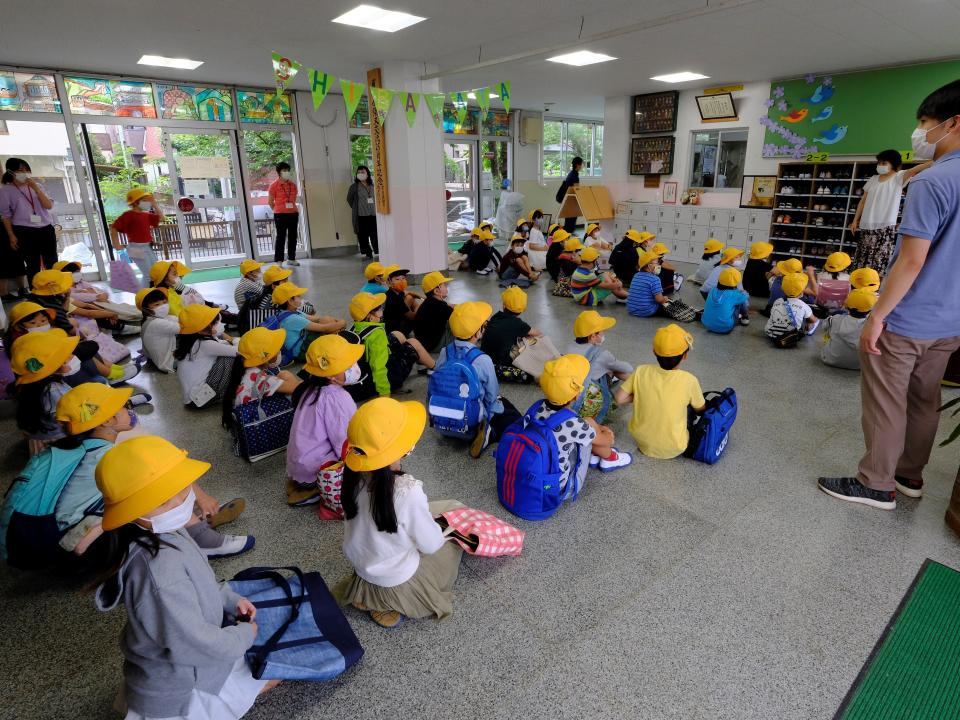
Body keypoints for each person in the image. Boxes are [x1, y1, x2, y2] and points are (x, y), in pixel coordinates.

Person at [818, 80, 960, 517]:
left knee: (885, 400)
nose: (918, 131)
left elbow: (912, 261)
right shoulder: (932, 175)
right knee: (924, 399)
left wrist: (878, 315)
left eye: (924, 122)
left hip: (909, 316)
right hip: (950, 321)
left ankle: (876, 484)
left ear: (952, 123)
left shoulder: (934, 182)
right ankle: (909, 476)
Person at [91, 436, 272, 720]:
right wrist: (242, 636)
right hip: (184, 686)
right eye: (163, 501)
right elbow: (191, 643)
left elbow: (201, 581)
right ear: (131, 514)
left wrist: (229, 599)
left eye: (181, 487)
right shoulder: (159, 570)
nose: (179, 503)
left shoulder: (161, 530)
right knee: (268, 678)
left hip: (191, 662)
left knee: (264, 675)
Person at [334, 397, 463, 628]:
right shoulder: (408, 491)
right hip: (397, 578)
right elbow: (431, 545)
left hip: (364, 569)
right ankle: (390, 603)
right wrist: (440, 531)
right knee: (454, 528)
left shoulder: (353, 476)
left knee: (434, 511)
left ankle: (366, 596)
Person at [287, 335, 363, 511]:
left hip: (300, 467)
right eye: (348, 365)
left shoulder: (309, 388)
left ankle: (306, 488)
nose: (354, 367)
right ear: (330, 375)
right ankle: (317, 491)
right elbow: (345, 442)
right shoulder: (336, 398)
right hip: (316, 472)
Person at [438, 301, 521, 459]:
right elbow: (492, 395)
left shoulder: (445, 352)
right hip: (470, 424)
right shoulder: (482, 359)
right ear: (478, 332)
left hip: (444, 421)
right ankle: (489, 433)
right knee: (508, 412)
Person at [614, 324, 707, 460]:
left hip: (641, 441)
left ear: (654, 352)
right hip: (676, 446)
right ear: (685, 355)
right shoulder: (689, 380)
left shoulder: (641, 371)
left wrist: (641, 394)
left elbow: (619, 399)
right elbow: (701, 410)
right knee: (689, 409)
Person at [536, 355, 632, 486]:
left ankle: (596, 454)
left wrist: (597, 429)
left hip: (542, 465)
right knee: (594, 435)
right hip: (558, 486)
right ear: (576, 395)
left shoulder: (537, 408)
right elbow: (607, 440)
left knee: (588, 424)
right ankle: (610, 458)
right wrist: (607, 432)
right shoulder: (573, 424)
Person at [849, 150, 931, 272]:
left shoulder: (899, 177)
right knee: (862, 257)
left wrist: (939, 158)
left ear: (894, 164)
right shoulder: (873, 179)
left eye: (884, 163)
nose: (880, 165)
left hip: (885, 226)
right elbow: (863, 201)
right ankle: (859, 284)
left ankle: (874, 287)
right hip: (866, 224)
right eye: (879, 163)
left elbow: (918, 167)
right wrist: (855, 220)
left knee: (879, 259)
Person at [349, 292, 434, 399]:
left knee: (396, 334)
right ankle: (435, 369)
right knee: (413, 343)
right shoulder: (377, 335)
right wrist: (385, 394)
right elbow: (379, 368)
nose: (382, 310)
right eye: (380, 307)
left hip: (362, 377)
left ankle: (422, 362)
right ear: (370, 316)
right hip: (378, 382)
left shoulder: (354, 328)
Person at [11, 329, 80, 451]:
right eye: (66, 357)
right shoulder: (54, 391)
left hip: (37, 440)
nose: (72, 357)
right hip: (59, 443)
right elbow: (72, 419)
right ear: (53, 367)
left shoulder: (30, 386)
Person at [223, 326, 300, 428]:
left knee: (283, 374)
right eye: (276, 349)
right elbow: (299, 389)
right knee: (293, 387)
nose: (279, 351)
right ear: (267, 357)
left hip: (242, 415)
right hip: (254, 424)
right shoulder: (261, 379)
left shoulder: (245, 369)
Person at [568, 310, 632, 423]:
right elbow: (628, 368)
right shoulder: (601, 355)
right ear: (593, 336)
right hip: (588, 403)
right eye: (602, 331)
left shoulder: (569, 347)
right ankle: (638, 390)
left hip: (570, 397)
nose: (603, 333)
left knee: (605, 369)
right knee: (615, 370)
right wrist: (612, 367)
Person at [0, 158, 57, 284]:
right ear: (11, 172)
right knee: (33, 265)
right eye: (20, 170)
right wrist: (11, 236)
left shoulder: (37, 186)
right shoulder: (5, 190)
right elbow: (5, 216)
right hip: (24, 231)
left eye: (26, 170)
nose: (24, 173)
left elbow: (48, 206)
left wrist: (36, 188)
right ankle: (37, 295)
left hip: (46, 228)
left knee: (52, 262)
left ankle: (57, 292)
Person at [175, 304, 238, 408]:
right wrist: (234, 340)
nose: (219, 324)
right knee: (229, 358)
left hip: (192, 398)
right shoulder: (206, 344)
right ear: (200, 329)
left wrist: (230, 340)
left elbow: (223, 343)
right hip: (199, 400)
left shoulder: (193, 341)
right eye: (215, 323)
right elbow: (238, 351)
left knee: (225, 354)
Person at [481, 286, 542, 383]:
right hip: (500, 364)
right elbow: (538, 334)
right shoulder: (518, 324)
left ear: (503, 305)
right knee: (529, 375)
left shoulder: (496, 316)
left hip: (483, 359)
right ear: (522, 309)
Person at [272, 283, 345, 363]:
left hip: (303, 339)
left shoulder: (291, 312)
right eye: (298, 296)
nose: (301, 298)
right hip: (301, 352)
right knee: (331, 330)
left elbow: (318, 319)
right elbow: (323, 328)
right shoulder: (292, 319)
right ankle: (336, 350)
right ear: (290, 301)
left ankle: (335, 345)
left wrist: (334, 322)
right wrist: (342, 323)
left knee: (326, 320)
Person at [110, 188, 164, 287]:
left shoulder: (146, 215)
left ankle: (147, 294)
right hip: (135, 248)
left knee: (155, 272)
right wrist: (116, 244)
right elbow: (114, 228)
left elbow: (162, 218)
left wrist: (154, 204)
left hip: (146, 247)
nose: (147, 202)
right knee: (148, 275)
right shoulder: (128, 215)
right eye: (144, 200)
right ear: (135, 202)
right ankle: (144, 297)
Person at [820, 289, 878, 370]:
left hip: (829, 359)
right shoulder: (873, 326)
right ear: (871, 309)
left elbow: (824, 328)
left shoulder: (835, 319)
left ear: (847, 306)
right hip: (860, 365)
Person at [764, 273, 817, 340]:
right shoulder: (804, 305)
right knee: (809, 319)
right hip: (790, 338)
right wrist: (813, 320)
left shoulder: (777, 301)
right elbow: (813, 320)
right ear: (801, 292)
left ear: (783, 289)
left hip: (770, 333)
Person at [137, 287, 179, 373]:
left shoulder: (149, 320)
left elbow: (175, 319)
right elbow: (184, 328)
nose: (163, 306)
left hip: (155, 359)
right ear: (145, 309)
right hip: (168, 362)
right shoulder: (156, 323)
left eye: (164, 302)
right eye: (156, 304)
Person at [412, 271, 454, 353]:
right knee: (461, 324)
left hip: (424, 343)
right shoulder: (440, 307)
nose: (447, 286)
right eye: (444, 285)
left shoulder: (429, 302)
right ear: (436, 291)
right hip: (434, 346)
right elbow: (456, 314)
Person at [268, 161, 300, 266]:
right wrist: (278, 210)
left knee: (293, 236)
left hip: (293, 213)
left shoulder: (293, 185)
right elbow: (270, 202)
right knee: (281, 237)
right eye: (284, 170)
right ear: (279, 172)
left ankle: (291, 258)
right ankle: (279, 260)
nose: (286, 172)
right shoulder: (274, 185)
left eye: (287, 170)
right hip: (280, 215)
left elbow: (293, 200)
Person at [702, 267, 750, 333]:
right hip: (726, 328)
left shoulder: (712, 290)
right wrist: (743, 292)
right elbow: (746, 296)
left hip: (707, 324)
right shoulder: (734, 294)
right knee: (742, 301)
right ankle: (745, 318)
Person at [347, 164, 378, 259]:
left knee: (374, 234)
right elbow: (349, 199)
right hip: (361, 215)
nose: (360, 174)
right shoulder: (354, 187)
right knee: (363, 236)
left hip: (373, 214)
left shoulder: (373, 186)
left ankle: (377, 251)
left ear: (367, 174)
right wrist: (356, 208)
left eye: (363, 172)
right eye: (359, 172)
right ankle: (368, 253)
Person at [627, 250, 671, 318]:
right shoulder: (655, 279)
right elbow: (659, 299)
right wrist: (664, 299)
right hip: (646, 311)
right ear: (649, 265)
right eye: (656, 263)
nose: (658, 265)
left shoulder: (636, 275)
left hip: (631, 309)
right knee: (667, 303)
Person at [383, 267, 423, 336]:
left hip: (397, 320)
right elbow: (412, 317)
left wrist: (416, 295)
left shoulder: (394, 292)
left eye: (403, 278)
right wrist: (419, 307)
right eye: (397, 279)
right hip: (396, 332)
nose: (401, 281)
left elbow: (406, 293)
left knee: (410, 297)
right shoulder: (394, 298)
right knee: (422, 315)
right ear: (389, 282)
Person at [0, 206, 27, 304]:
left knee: (19, 262)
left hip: (14, 234)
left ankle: (22, 289)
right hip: (4, 236)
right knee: (3, 265)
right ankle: (3, 294)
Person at [559, 156, 584, 232]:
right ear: (577, 165)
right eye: (581, 164)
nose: (581, 166)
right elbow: (576, 189)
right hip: (571, 200)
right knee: (571, 220)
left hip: (569, 200)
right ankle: (568, 235)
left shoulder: (571, 173)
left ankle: (567, 234)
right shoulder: (574, 175)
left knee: (569, 219)